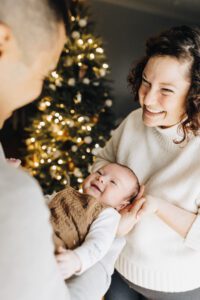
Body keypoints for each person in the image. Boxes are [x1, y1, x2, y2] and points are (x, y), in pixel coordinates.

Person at [0, 1, 125, 299]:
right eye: (44, 74)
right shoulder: (14, 195)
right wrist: (110, 253)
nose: (39, 91)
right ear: (2, 43)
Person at [92, 25, 200, 299]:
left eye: (166, 90)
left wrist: (157, 206)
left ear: (195, 96)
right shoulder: (133, 122)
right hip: (118, 267)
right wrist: (111, 188)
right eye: (146, 82)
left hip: (177, 287)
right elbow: (102, 159)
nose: (148, 99)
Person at [47, 163, 140, 280]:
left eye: (113, 182)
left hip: (54, 247)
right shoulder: (67, 193)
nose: (101, 178)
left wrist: (77, 260)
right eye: (99, 173)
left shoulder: (108, 215)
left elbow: (98, 244)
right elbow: (41, 202)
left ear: (121, 205)